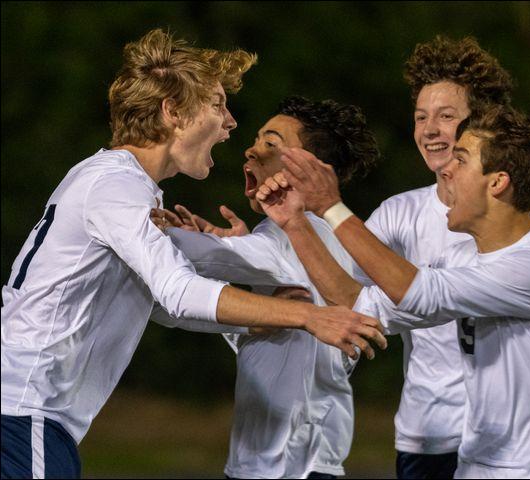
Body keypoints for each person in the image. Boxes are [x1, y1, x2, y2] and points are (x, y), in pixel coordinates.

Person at [0, 30, 386, 479]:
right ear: (173, 112)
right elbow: (180, 292)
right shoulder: (117, 187)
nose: (231, 123)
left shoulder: (121, 186)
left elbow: (164, 302)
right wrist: (306, 316)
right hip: (23, 411)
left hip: (30, 414)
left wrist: (252, 310)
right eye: (218, 104)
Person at [275, 36, 530, 479]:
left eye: (446, 117)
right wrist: (280, 230)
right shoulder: (399, 212)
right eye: (421, 117)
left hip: (508, 443)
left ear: (479, 125)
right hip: (426, 433)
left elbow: (420, 293)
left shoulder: (527, 235)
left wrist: (330, 206)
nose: (429, 129)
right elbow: (346, 293)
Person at [150, 95, 381, 479]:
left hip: (290, 464)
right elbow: (266, 332)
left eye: (271, 143)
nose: (252, 150)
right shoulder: (304, 236)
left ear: (311, 169)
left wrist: (153, 235)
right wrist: (235, 261)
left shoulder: (307, 233)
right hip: (279, 460)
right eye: (258, 139)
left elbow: (208, 264)